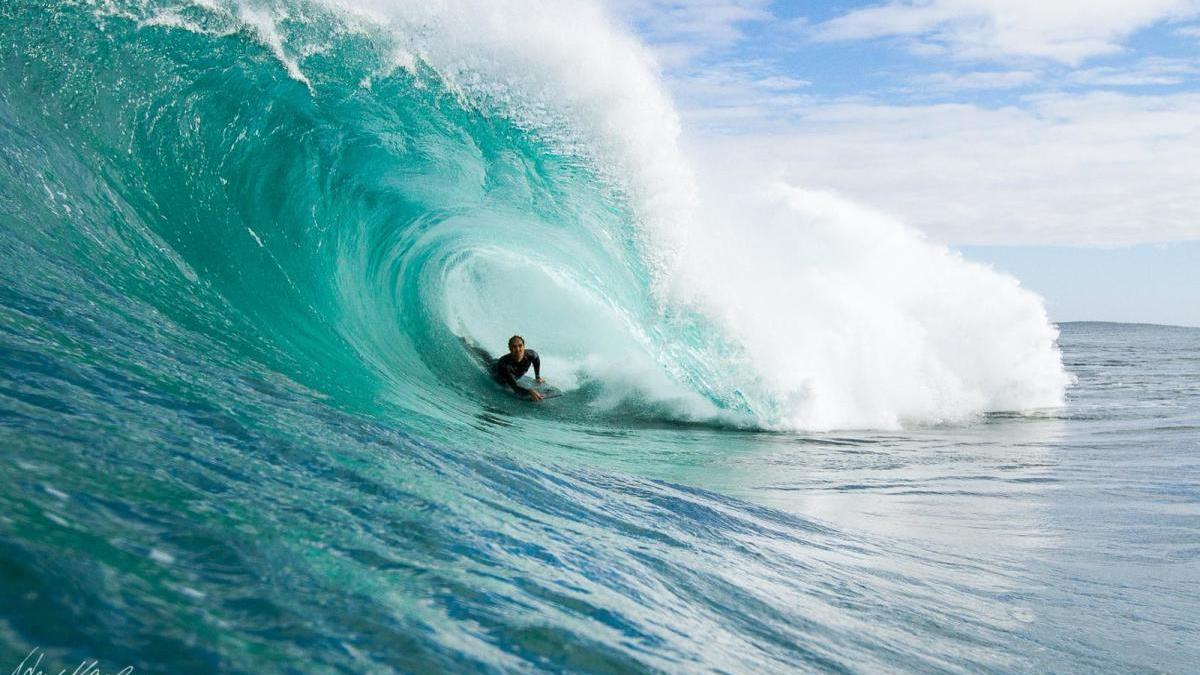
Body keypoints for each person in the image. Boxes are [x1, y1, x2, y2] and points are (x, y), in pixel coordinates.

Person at [493, 335, 545, 401]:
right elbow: (514, 387)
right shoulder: (505, 365)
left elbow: (536, 359)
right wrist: (529, 392)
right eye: (514, 347)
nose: (518, 349)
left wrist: (537, 376)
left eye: (520, 346)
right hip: (494, 369)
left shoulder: (531, 355)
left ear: (524, 347)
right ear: (510, 348)